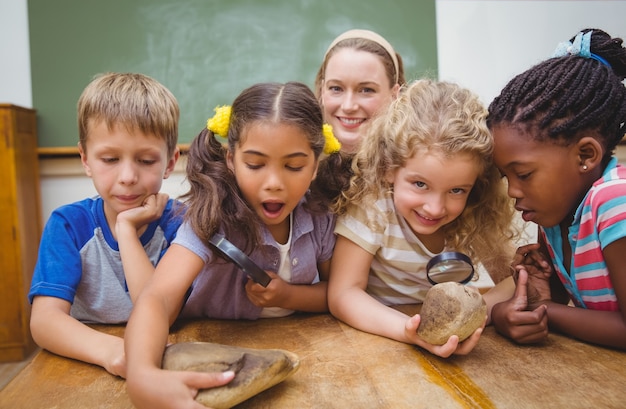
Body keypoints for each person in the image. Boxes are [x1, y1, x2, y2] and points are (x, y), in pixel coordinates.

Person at [124, 81, 341, 408]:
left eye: (294, 166)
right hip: (209, 345)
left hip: (302, 358)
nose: (274, 183)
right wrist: (140, 374)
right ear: (231, 159)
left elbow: (337, 294)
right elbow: (156, 297)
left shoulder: (320, 216)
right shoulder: (212, 217)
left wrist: (288, 295)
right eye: (255, 164)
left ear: (314, 166)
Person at [327, 79, 518, 358]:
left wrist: (478, 312)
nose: (435, 208)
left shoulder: (475, 213)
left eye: (456, 190)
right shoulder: (373, 210)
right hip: (382, 346)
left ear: (476, 184)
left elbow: (518, 278)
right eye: (420, 184)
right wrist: (409, 330)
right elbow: (343, 294)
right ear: (390, 168)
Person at [28, 72, 183, 378]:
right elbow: (44, 321)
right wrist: (112, 351)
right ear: (85, 159)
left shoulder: (181, 223)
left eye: (146, 160)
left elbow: (160, 316)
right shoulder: (69, 225)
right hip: (84, 360)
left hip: (163, 359)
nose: (127, 176)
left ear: (170, 163)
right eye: (110, 159)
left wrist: (126, 232)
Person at [487, 28, 626, 350]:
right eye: (506, 177)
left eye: (523, 174)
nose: (512, 192)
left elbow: (556, 312)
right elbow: (552, 302)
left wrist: (547, 312)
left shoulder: (614, 201)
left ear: (585, 156)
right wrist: (516, 309)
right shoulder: (556, 214)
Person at [314, 29, 406, 153]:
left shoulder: (415, 166)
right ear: (322, 91)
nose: (348, 106)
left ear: (394, 95)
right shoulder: (297, 161)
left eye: (366, 90)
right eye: (336, 88)